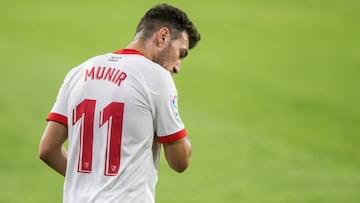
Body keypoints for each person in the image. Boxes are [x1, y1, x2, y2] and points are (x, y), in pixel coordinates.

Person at [38, 3, 201, 203]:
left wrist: (92, 184)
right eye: (180, 53)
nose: (177, 67)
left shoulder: (78, 72)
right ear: (163, 36)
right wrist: (183, 140)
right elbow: (180, 162)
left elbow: (47, 149)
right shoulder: (157, 77)